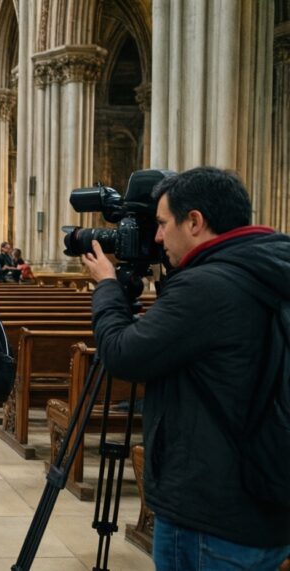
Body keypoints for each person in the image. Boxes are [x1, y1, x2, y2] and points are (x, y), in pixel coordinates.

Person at [80, 166, 290, 571]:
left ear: (194, 221)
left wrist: (107, 286)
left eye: (162, 224)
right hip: (264, 500)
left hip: (209, 513)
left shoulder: (208, 286)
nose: (156, 237)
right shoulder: (265, 269)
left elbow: (123, 354)